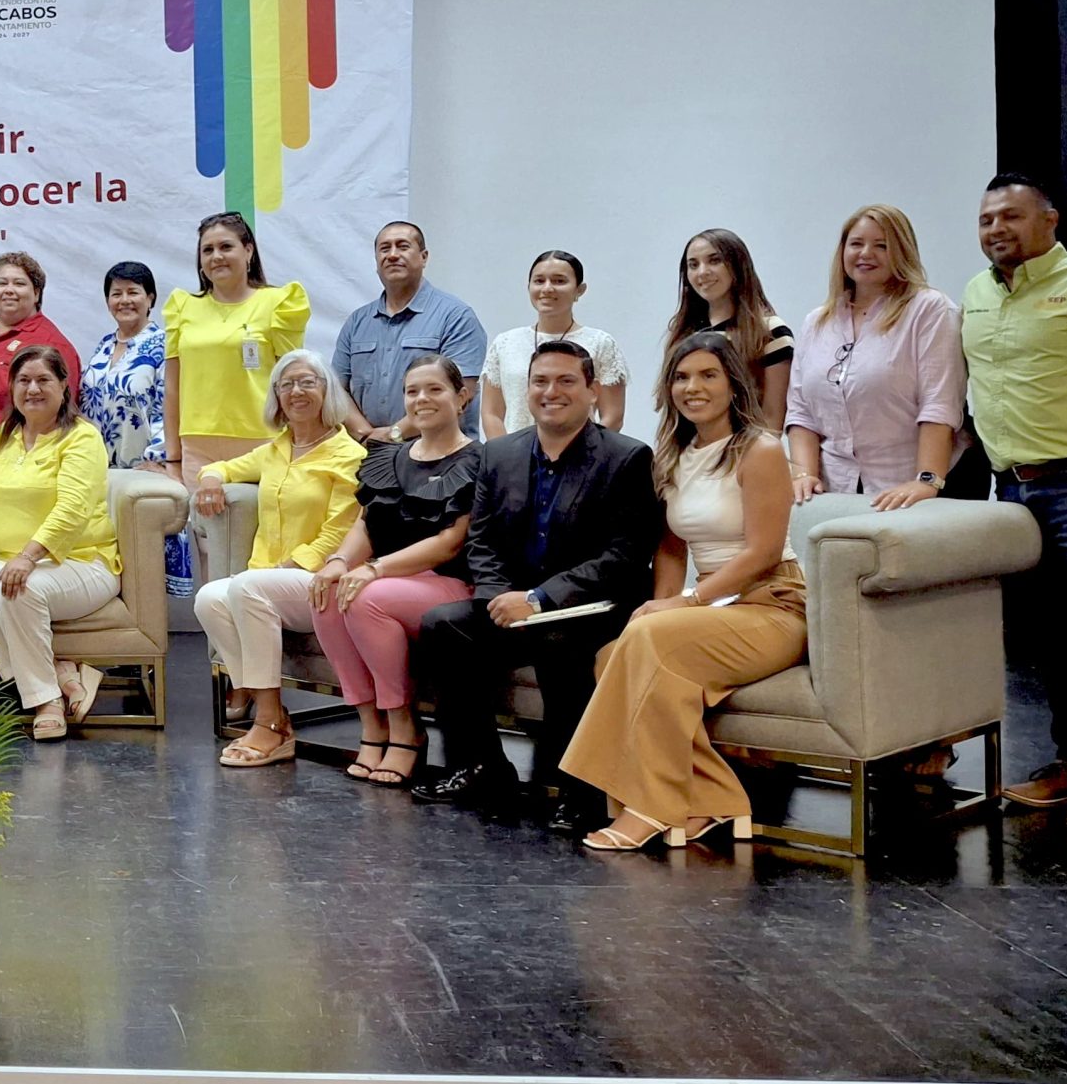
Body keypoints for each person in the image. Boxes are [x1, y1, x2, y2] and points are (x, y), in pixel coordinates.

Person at [562, 332, 808, 851]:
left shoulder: (761, 449)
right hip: (719, 605)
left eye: (708, 375)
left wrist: (686, 603)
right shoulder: (673, 455)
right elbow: (671, 551)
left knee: (648, 643)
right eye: (681, 377)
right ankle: (711, 800)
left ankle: (651, 807)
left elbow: (763, 553)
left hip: (774, 604)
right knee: (613, 654)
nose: (693, 387)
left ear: (733, 384)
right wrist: (657, 607)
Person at [411, 341, 661, 835]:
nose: (551, 392)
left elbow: (624, 555)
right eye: (540, 381)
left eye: (566, 381)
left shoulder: (627, 457)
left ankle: (580, 790)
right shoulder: (499, 453)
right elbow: (481, 542)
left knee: (559, 643)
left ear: (592, 391)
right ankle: (482, 766)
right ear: (526, 390)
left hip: (590, 607)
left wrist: (539, 600)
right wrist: (498, 599)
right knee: (443, 626)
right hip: (514, 602)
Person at [960, 174, 1067, 826]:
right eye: (987, 219)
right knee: (1054, 639)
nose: (996, 229)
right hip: (1012, 490)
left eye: (1011, 216)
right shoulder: (977, 293)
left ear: (1049, 220)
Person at [309, 354, 481, 787]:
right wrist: (337, 563)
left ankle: (406, 729)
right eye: (412, 391)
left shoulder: (479, 459)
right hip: (390, 579)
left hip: (450, 582)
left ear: (461, 397)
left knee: (366, 597)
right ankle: (372, 726)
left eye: (435, 389)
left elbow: (450, 542)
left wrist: (374, 570)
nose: (422, 399)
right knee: (326, 592)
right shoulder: (388, 456)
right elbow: (366, 524)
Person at [189, 351, 366, 768]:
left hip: (320, 581)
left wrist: (285, 569)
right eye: (286, 384)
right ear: (276, 397)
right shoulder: (276, 449)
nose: (296, 391)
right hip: (265, 582)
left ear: (327, 391)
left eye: (307, 382)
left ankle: (267, 722)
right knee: (208, 598)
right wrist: (210, 479)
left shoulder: (348, 455)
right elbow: (221, 467)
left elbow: (338, 533)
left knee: (247, 586)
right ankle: (276, 717)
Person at [0, 346, 119, 742]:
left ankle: (46, 703)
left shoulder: (81, 437)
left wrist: (28, 557)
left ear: (64, 386)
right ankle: (60, 676)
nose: (32, 389)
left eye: (43, 380)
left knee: (19, 589)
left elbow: (73, 508)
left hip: (83, 562)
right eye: (23, 380)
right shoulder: (4, 436)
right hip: (15, 561)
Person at [786, 206, 965, 511]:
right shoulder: (817, 322)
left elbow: (940, 402)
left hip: (909, 487)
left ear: (902, 251)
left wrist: (927, 480)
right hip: (833, 491)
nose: (866, 253)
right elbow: (801, 411)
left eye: (881, 245)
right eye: (856, 244)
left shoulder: (929, 309)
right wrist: (803, 474)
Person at [163, 213, 311, 578]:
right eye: (207, 250)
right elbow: (173, 387)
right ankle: (214, 619)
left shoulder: (278, 302)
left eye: (226, 246)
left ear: (248, 251)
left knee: (263, 548)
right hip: (198, 446)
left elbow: (294, 381)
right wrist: (173, 458)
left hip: (262, 443)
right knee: (210, 549)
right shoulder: (183, 307)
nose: (216, 256)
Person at [79, 261, 192, 597]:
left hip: (145, 470)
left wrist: (163, 460)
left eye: (133, 292)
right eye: (116, 293)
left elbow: (173, 404)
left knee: (145, 573)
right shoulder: (103, 345)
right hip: (103, 474)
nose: (124, 300)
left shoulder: (164, 344)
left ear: (150, 298)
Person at [331, 221, 487, 442]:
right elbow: (336, 389)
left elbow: (462, 392)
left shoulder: (456, 317)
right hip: (367, 452)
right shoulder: (357, 322)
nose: (393, 255)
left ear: (424, 257)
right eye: (385, 249)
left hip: (442, 454)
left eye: (403, 246)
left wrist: (393, 434)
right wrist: (367, 436)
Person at [661, 228, 794, 432]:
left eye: (714, 260)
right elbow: (671, 415)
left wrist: (753, 452)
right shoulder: (682, 334)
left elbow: (772, 417)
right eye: (693, 265)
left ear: (738, 265)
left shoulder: (770, 332)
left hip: (747, 448)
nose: (702, 272)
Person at [480, 251, 627, 436]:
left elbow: (613, 416)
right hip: (513, 451)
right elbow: (491, 413)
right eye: (539, 281)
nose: (547, 288)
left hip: (582, 452)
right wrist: (505, 451)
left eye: (559, 281)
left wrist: (585, 450)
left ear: (579, 290)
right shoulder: (505, 343)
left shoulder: (600, 343)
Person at [0, 252, 81, 444]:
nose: (9, 290)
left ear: (36, 293)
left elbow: (63, 417)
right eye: (2, 283)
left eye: (19, 284)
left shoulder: (53, 344)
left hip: (8, 455)